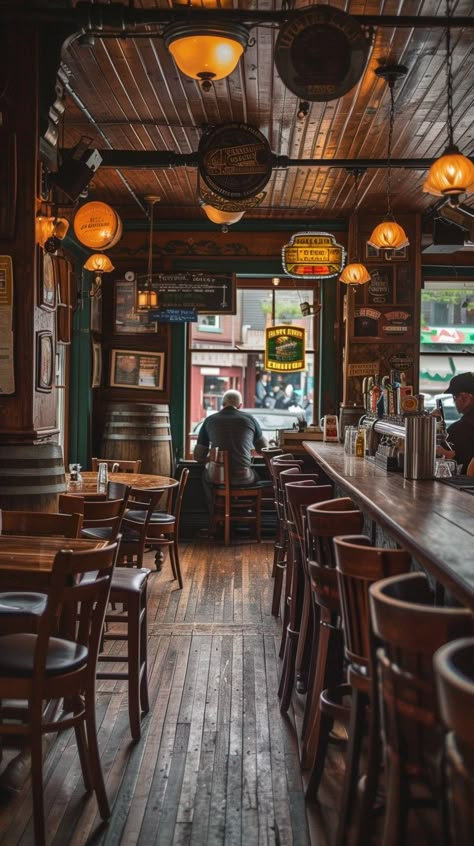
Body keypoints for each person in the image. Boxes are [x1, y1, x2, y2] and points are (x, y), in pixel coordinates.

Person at [194, 389, 268, 510]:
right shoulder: (250, 419)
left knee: (205, 476)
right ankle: (246, 513)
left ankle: (215, 514)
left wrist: (210, 459)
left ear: (222, 404)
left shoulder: (210, 420)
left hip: (218, 478)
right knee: (257, 477)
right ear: (240, 405)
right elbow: (264, 449)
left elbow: (198, 456)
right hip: (244, 478)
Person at [436, 372, 474, 473]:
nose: (454, 402)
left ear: (464, 397)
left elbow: (455, 456)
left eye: (454, 397)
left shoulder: (461, 428)